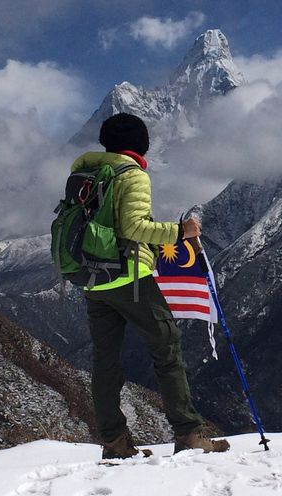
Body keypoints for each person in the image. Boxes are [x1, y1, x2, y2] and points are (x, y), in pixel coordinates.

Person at [71, 112, 230, 459]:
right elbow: (132, 227)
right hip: (129, 277)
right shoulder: (132, 175)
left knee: (105, 361)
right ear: (140, 145)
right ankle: (188, 433)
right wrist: (178, 232)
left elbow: (111, 224)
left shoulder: (87, 172)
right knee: (167, 345)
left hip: (92, 278)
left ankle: (114, 442)